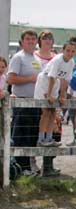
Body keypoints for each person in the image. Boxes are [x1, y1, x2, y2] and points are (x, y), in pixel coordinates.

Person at [8, 29, 42, 174]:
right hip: (22, 102)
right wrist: (30, 79)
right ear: (22, 42)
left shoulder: (37, 59)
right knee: (20, 136)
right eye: (28, 39)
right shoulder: (18, 57)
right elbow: (11, 79)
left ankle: (28, 167)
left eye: (33, 39)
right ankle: (20, 168)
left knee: (32, 135)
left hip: (35, 102)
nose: (31, 41)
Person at [34, 41, 76, 151]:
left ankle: (49, 138)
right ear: (63, 50)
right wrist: (49, 95)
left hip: (55, 82)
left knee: (53, 111)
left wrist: (62, 95)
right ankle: (41, 139)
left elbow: (66, 79)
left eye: (73, 51)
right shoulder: (58, 60)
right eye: (68, 50)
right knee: (46, 111)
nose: (70, 53)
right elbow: (51, 77)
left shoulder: (71, 62)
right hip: (45, 81)